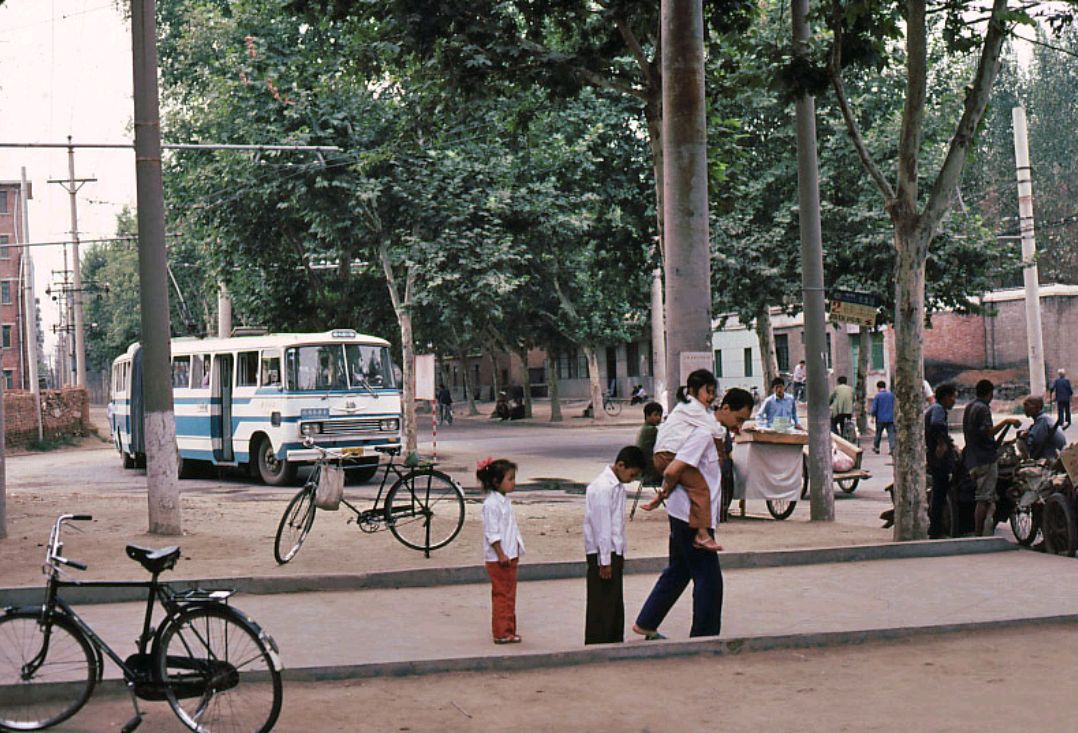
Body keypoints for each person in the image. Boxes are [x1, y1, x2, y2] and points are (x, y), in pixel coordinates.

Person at [632, 387, 754, 640]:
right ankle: (704, 636)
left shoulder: (713, 434)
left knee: (679, 570)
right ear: (725, 408)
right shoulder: (703, 434)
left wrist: (665, 495)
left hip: (686, 513)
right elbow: (674, 468)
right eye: (738, 419)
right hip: (691, 517)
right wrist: (664, 492)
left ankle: (647, 622)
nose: (739, 426)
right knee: (709, 579)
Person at [641, 370, 722, 552]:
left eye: (712, 392)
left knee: (678, 477)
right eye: (707, 391)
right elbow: (714, 429)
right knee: (701, 490)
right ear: (693, 390)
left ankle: (660, 496)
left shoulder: (684, 406)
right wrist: (726, 431)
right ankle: (702, 534)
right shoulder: (694, 408)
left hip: (662, 455)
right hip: (670, 455)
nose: (710, 397)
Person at [583, 445, 647, 645]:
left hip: (613, 551)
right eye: (632, 474)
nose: (632, 479)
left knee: (614, 601)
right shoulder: (602, 488)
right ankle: (599, 641)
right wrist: (605, 560)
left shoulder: (616, 487)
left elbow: (616, 525)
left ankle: (613, 639)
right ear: (620, 465)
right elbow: (602, 527)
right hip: (603, 552)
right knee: (601, 602)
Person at [962, 379, 1022, 537]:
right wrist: (1006, 421)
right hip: (985, 459)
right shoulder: (983, 409)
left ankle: (984, 530)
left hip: (973, 458)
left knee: (986, 498)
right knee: (983, 498)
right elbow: (988, 432)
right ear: (990, 394)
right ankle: (979, 534)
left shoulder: (970, 407)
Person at [479, 457, 524, 644]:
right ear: (497, 482)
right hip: (500, 558)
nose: (513, 483)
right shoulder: (491, 505)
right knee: (502, 595)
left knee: (509, 594)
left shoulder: (505, 501)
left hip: (510, 554)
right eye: (510, 479)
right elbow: (493, 533)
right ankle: (501, 631)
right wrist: (501, 554)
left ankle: (509, 629)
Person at [926, 383, 959, 539]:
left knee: (938, 493)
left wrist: (950, 443)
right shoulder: (938, 409)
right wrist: (942, 444)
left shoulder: (935, 409)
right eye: (953, 397)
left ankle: (936, 527)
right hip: (938, 460)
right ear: (945, 397)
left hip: (934, 457)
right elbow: (937, 426)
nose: (954, 401)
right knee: (940, 493)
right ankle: (935, 529)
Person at [1018, 395, 1066, 460]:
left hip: (1050, 457)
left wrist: (1024, 437)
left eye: (1027, 405)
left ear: (1037, 407)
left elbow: (1034, 442)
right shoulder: (1043, 418)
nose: (1025, 408)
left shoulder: (1042, 420)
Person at [635, 402, 664, 485]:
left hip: (643, 469)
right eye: (655, 415)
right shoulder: (652, 430)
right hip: (649, 471)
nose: (658, 418)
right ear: (647, 416)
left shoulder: (644, 428)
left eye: (660, 415)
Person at [870, 381, 896, 454]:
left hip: (880, 418)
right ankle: (892, 448)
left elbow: (874, 408)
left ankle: (876, 447)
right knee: (891, 434)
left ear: (878, 387)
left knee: (878, 433)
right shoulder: (891, 395)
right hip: (890, 418)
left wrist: (872, 416)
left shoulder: (878, 396)